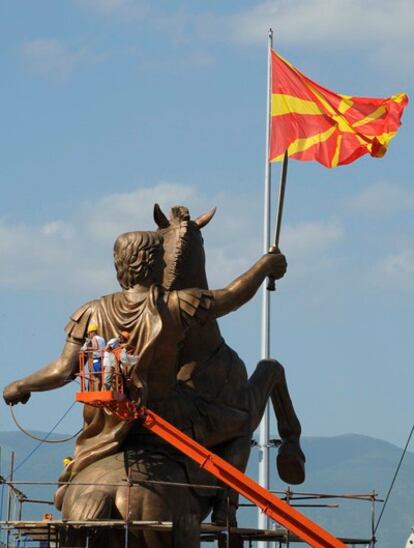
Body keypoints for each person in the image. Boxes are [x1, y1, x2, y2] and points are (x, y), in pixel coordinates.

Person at [3, 230, 287, 511]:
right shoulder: (176, 305)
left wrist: (20, 386)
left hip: (108, 425)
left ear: (119, 265)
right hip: (172, 418)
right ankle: (226, 503)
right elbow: (232, 297)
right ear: (155, 264)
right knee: (242, 420)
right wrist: (265, 265)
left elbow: (61, 370)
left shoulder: (91, 312)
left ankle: (71, 483)